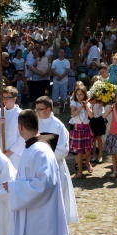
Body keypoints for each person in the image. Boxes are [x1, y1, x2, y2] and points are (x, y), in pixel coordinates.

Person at [4, 109, 80, 235]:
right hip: (32, 213)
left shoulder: (40, 150)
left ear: (20, 126)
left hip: (41, 215)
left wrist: (13, 187)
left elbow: (43, 184)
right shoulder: (34, 148)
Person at [35, 96, 78, 225]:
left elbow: (64, 150)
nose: (37, 112)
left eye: (40, 109)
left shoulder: (57, 125)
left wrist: (45, 157)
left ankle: (58, 224)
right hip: (37, 167)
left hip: (54, 166)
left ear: (48, 109)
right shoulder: (34, 123)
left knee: (56, 198)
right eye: (36, 109)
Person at [0, 86, 25, 169]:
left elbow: (23, 136)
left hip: (14, 153)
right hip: (1, 149)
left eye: (8, 98)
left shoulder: (20, 114)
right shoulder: (0, 112)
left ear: (14, 99)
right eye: (3, 97)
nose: (5, 100)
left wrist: (10, 152)